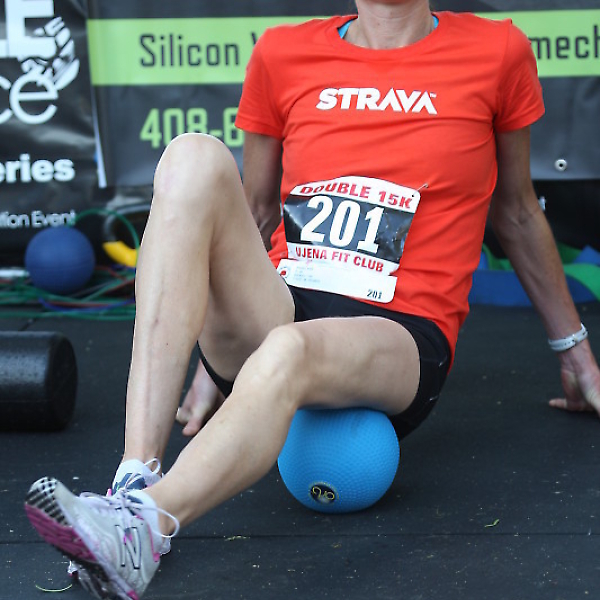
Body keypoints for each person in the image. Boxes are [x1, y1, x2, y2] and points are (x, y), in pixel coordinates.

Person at [24, 2, 600, 599]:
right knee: (193, 155)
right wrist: (206, 353)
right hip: (282, 300)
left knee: (288, 349)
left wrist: (575, 351)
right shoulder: (283, 52)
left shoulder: (495, 51)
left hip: (400, 334)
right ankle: (131, 481)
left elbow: (516, 210)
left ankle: (144, 527)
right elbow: (251, 212)